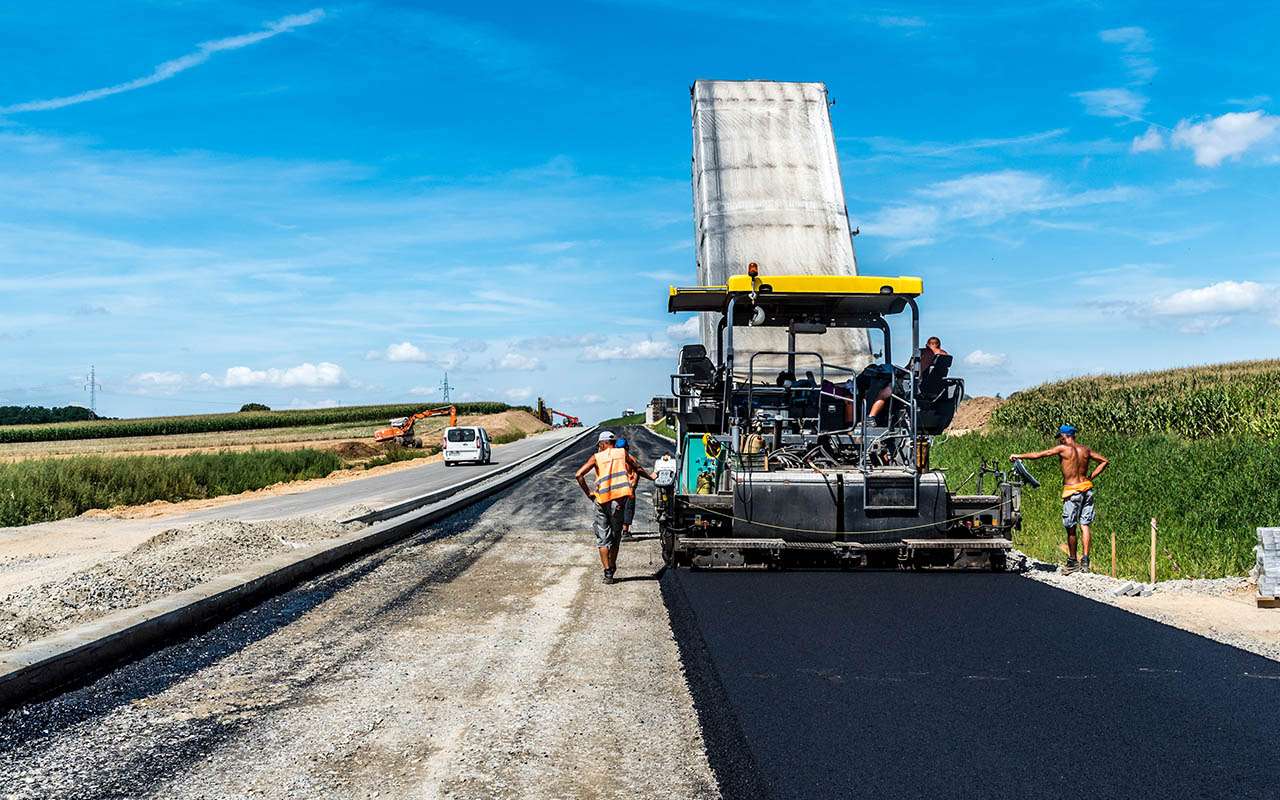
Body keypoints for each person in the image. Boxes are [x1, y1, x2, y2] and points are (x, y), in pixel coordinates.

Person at [1011, 424, 1110, 574]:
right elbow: (1104, 461)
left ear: (1065, 436)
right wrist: (1090, 477)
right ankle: (1085, 561)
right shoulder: (1085, 450)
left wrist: (1018, 456)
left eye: (1060, 437)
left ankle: (1072, 561)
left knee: (1071, 528)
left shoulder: (1063, 449)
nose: (1059, 440)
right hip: (1087, 489)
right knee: (1085, 525)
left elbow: (1039, 455)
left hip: (1072, 491)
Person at [575, 431, 655, 584]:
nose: (599, 447)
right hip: (617, 503)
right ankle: (612, 566)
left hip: (601, 501)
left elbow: (579, 475)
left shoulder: (596, 457)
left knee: (603, 538)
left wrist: (589, 494)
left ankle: (607, 573)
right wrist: (651, 477)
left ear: (604, 443)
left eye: (599, 444)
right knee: (615, 536)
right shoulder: (622, 454)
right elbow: (637, 468)